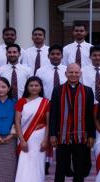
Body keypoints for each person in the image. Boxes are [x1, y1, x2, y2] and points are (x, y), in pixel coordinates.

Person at [49, 63, 95, 182]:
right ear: (66, 73)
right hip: (62, 135)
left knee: (79, 169)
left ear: (80, 74)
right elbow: (53, 113)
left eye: (76, 72)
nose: (73, 75)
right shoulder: (58, 90)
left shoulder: (88, 91)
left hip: (81, 136)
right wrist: (52, 134)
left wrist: (92, 135)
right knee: (60, 169)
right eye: (71, 72)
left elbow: (90, 115)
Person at [13, 76, 49, 182]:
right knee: (24, 165)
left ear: (41, 87)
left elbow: (48, 123)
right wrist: (22, 140)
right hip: (25, 137)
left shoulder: (46, 102)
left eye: (36, 85)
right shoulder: (21, 102)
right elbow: (17, 122)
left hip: (40, 138)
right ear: (27, 87)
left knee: (37, 165)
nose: (34, 88)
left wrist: (45, 140)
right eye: (31, 85)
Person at [36, 44, 67, 174]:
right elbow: (37, 88)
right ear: (48, 56)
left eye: (58, 54)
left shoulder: (67, 70)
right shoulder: (40, 71)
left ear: (61, 56)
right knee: (47, 133)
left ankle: (64, 163)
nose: (55, 56)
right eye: (52, 54)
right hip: (47, 105)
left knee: (63, 134)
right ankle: (46, 163)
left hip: (65, 106)